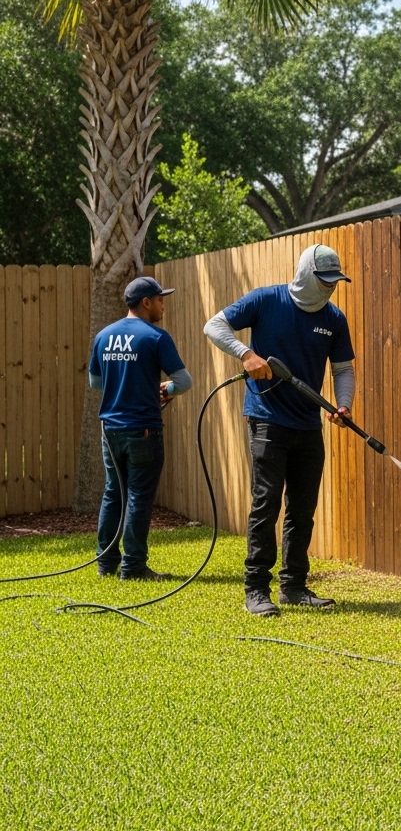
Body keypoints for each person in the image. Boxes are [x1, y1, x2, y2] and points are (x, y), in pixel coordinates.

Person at [203, 244, 356, 617]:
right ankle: (256, 589)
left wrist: (343, 403)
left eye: (335, 282)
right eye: (324, 281)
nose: (330, 288)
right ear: (306, 274)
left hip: (308, 424)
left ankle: (294, 586)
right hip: (267, 419)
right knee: (266, 505)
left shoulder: (334, 319)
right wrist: (245, 354)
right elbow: (214, 325)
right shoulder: (266, 301)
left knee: (302, 510)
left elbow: (342, 369)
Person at [89, 276, 193, 580]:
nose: (163, 305)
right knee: (138, 497)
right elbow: (185, 382)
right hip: (143, 430)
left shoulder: (104, 336)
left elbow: (96, 383)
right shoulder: (156, 337)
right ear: (146, 302)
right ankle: (133, 566)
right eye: (160, 299)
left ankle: (105, 563)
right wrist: (167, 388)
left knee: (113, 493)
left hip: (110, 430)